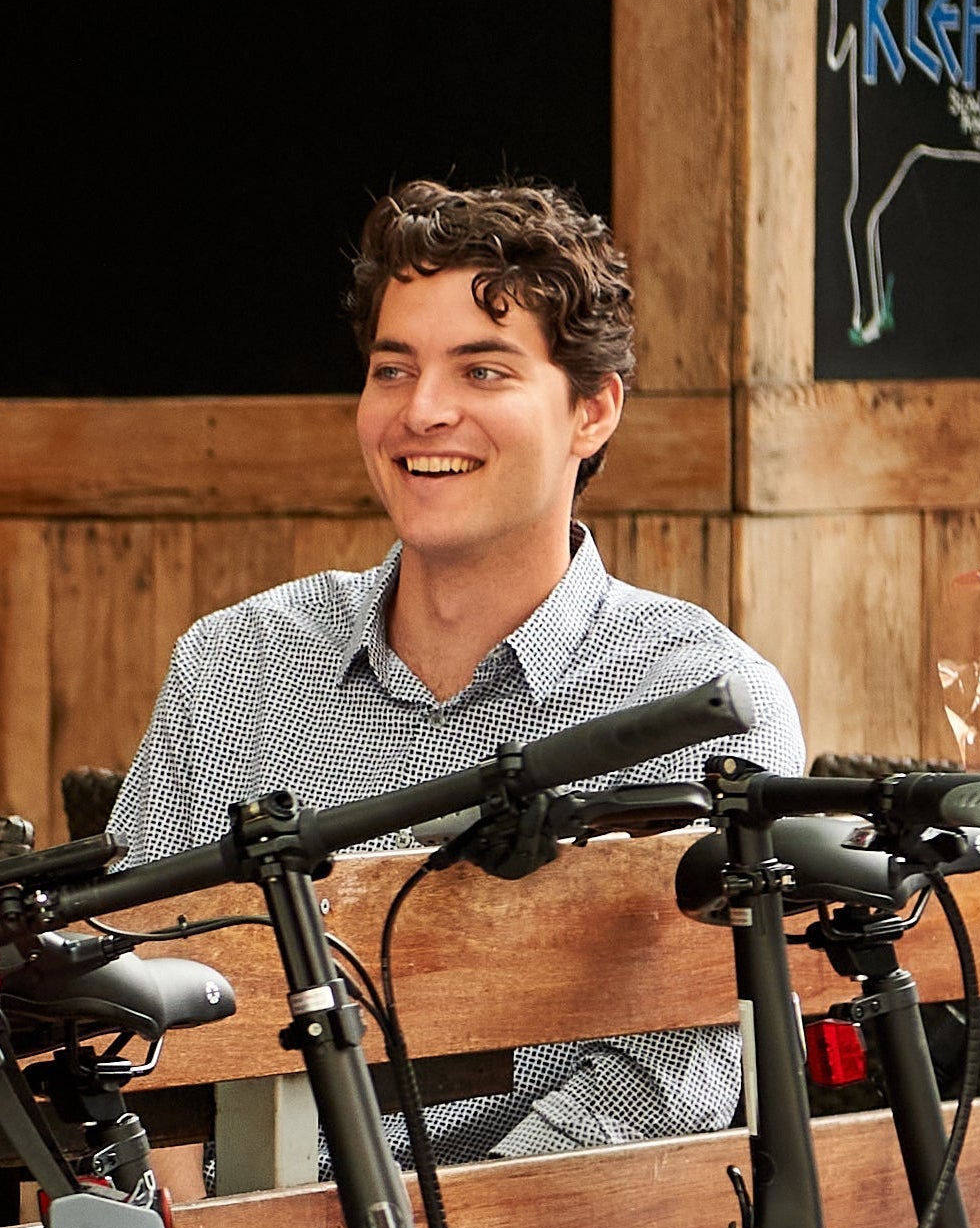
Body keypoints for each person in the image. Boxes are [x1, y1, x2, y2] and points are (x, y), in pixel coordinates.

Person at [109, 180, 803, 1163]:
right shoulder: (234, 661)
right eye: (393, 370)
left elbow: (659, 1083)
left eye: (483, 371)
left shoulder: (699, 700)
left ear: (593, 411)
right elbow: (124, 988)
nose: (422, 411)